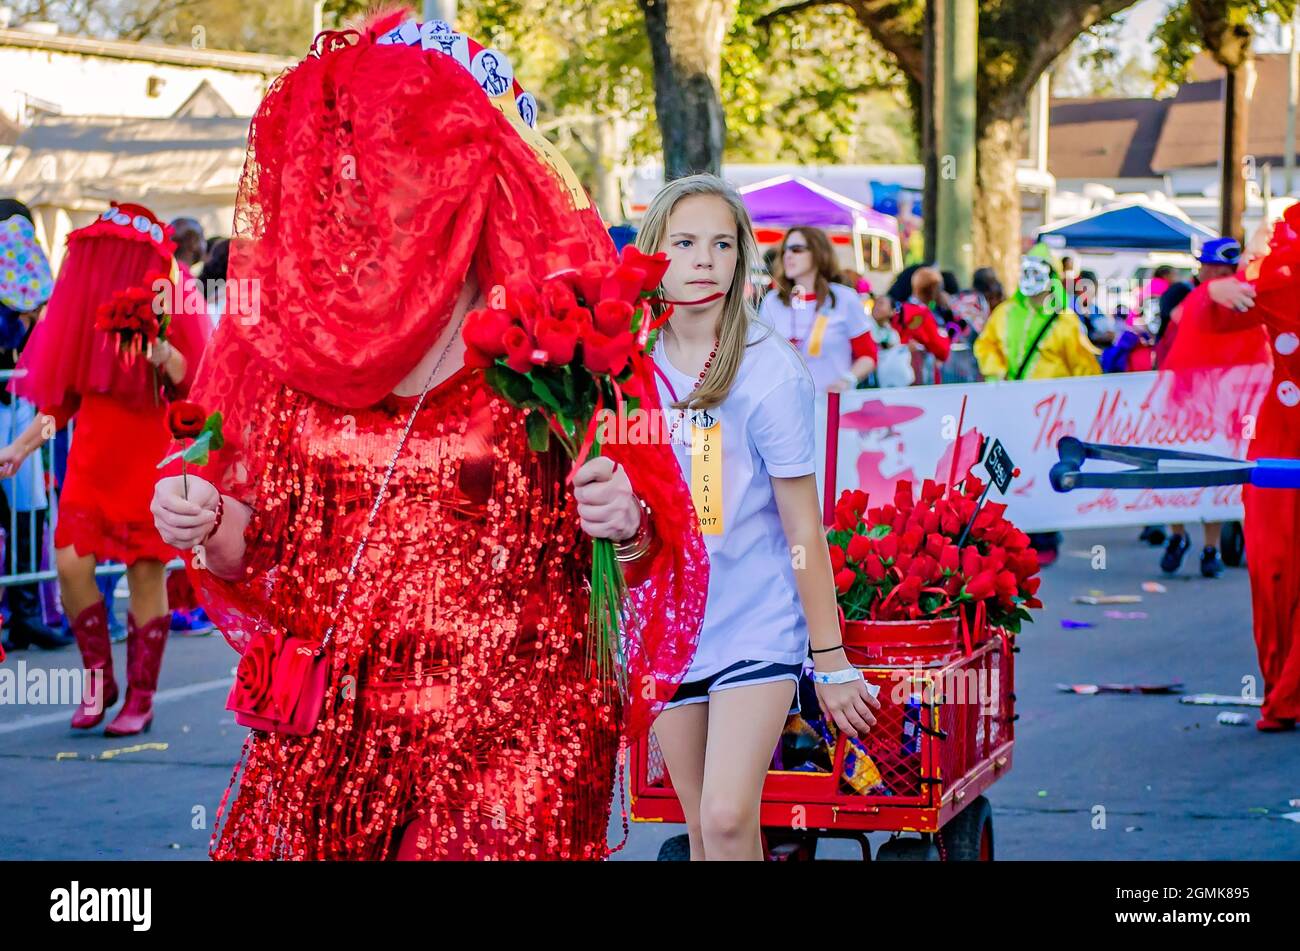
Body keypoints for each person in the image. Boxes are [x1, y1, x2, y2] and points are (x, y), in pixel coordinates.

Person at [149, 13, 707, 859]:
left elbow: (644, 547)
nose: (359, 190)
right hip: (333, 732)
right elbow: (255, 549)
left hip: (516, 728)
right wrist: (204, 520)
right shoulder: (292, 338)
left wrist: (622, 517)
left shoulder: (565, 322)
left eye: (385, 161)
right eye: (341, 169)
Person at [641, 175, 879, 861]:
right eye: (685, 242)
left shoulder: (770, 370)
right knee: (703, 829)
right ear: (654, 253)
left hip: (757, 622)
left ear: (742, 259)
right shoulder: (627, 366)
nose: (704, 260)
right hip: (668, 624)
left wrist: (829, 660)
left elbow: (804, 531)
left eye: (722, 243)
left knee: (723, 814)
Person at [0, 202, 211, 732]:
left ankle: (140, 696)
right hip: (92, 459)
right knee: (70, 566)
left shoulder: (173, 296)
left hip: (146, 456)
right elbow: (59, 409)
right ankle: (99, 678)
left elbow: (194, 384)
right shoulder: (84, 318)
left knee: (145, 572)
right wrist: (22, 447)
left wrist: (163, 354)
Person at [1158, 211, 1300, 731]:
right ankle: (1282, 691)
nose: (1257, 258)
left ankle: (1288, 695)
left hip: (1281, 438)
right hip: (1280, 443)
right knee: (1271, 568)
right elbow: (1208, 314)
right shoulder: (1280, 284)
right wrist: (1210, 294)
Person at [974, 243, 1100, 566]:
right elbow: (985, 346)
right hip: (1013, 407)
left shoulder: (1065, 321)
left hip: (1052, 415)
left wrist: (1085, 399)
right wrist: (997, 373)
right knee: (1014, 466)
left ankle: (1043, 532)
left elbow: (1082, 365)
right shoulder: (1004, 314)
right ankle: (1016, 528)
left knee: (1044, 466)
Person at [0, 199, 72, 651]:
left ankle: (26, 613)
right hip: (10, 401)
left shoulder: (26, 279)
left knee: (28, 509)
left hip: (21, 404)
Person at [1153, 239, 1243, 578]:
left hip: (1223, 402)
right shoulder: (1182, 295)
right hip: (1179, 399)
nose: (1217, 275)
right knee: (1173, 467)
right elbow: (1175, 325)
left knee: (1216, 472)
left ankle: (1211, 547)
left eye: (1225, 272)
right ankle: (1177, 536)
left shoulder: (1241, 299)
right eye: (1212, 269)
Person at [759, 226, 877, 392]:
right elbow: (761, 357)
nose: (788, 255)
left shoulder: (845, 298)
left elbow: (869, 355)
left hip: (833, 408)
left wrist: (847, 380)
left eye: (797, 249)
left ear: (818, 253)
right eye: (785, 250)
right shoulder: (772, 302)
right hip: (784, 408)